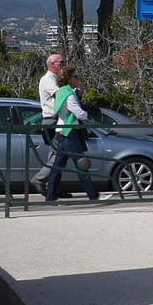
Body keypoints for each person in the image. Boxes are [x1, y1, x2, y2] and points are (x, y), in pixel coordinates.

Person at [46, 66, 108, 202]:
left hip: (61, 132)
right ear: (69, 79)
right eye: (75, 76)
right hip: (69, 132)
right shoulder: (69, 94)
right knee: (82, 164)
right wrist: (87, 113)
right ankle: (93, 196)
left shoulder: (62, 92)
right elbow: (80, 114)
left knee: (57, 166)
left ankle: (50, 197)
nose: (78, 79)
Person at [30, 53, 64, 197]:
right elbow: (61, 95)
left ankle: (51, 188)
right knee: (59, 154)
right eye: (61, 62)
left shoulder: (55, 79)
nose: (64, 64)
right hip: (53, 120)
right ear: (52, 64)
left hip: (54, 120)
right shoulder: (48, 80)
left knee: (55, 154)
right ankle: (40, 179)